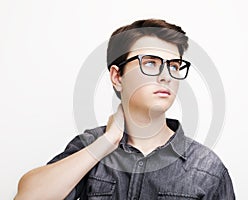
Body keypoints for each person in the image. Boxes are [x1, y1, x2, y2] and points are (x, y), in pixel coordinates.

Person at [15, 19, 235, 200]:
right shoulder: (90, 145)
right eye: (150, 63)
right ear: (117, 77)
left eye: (174, 66)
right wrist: (108, 141)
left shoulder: (206, 167)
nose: (166, 76)